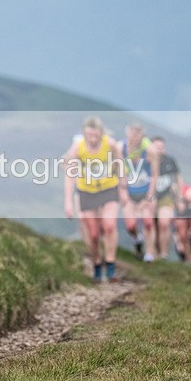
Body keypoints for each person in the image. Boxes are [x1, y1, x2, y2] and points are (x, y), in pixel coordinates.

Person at [63, 117, 128, 283]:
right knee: (93, 234)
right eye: (89, 136)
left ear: (101, 133)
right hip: (87, 191)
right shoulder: (78, 147)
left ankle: (111, 265)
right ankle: (97, 263)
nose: (92, 139)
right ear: (84, 134)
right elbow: (69, 174)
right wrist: (69, 201)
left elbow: (120, 164)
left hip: (108, 188)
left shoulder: (110, 144)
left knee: (109, 225)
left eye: (95, 136)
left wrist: (123, 188)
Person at [117, 124, 159, 262]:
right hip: (129, 192)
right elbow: (119, 171)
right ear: (127, 135)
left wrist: (150, 197)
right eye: (132, 136)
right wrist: (122, 192)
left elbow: (154, 174)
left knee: (148, 222)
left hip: (145, 191)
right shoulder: (120, 148)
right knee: (130, 225)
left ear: (142, 136)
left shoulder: (150, 151)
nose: (134, 139)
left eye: (137, 136)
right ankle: (137, 238)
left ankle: (149, 254)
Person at [149, 136, 183, 260]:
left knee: (164, 223)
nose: (160, 150)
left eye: (162, 147)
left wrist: (179, 198)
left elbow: (178, 178)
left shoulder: (170, 161)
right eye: (157, 147)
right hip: (149, 197)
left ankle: (163, 254)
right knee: (151, 225)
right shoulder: (145, 161)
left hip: (166, 196)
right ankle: (152, 253)